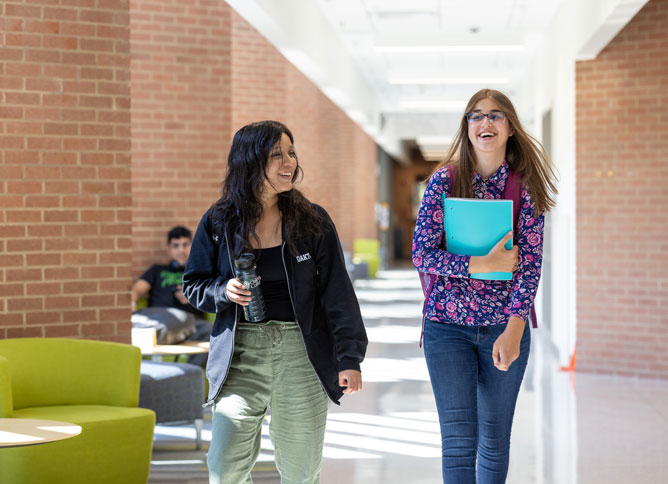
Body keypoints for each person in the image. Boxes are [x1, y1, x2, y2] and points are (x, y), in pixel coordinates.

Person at [182, 120, 368, 484]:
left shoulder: (311, 221)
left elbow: (337, 293)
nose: (289, 162)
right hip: (241, 354)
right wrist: (224, 291)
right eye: (276, 155)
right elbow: (194, 285)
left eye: (292, 152)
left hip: (301, 351)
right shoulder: (218, 222)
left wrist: (350, 357)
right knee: (224, 468)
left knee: (300, 472)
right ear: (250, 162)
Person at [412, 89, 558, 483]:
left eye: (495, 116)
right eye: (475, 116)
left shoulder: (524, 189)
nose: (485, 123)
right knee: (459, 441)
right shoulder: (444, 181)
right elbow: (421, 254)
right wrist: (481, 264)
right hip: (447, 328)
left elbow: (529, 268)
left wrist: (514, 331)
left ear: (510, 128)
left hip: (504, 327)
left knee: (494, 441)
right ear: (467, 127)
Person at [131, 226, 196, 314]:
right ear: (169, 249)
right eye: (176, 245)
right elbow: (136, 290)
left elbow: (212, 296)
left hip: (192, 321)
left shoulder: (199, 272)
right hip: (158, 319)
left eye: (185, 245)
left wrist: (193, 298)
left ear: (192, 246)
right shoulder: (156, 270)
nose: (181, 250)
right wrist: (132, 304)